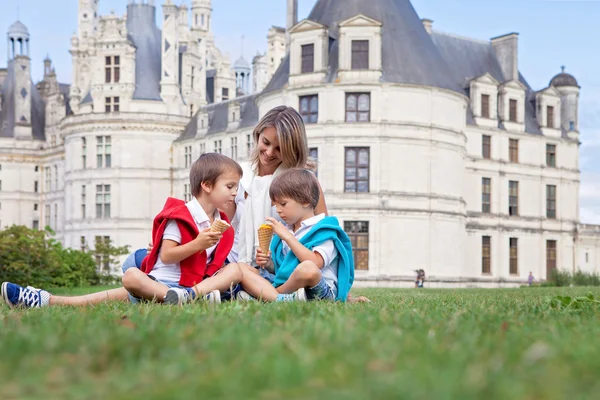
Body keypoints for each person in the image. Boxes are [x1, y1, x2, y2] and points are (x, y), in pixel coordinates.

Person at [1, 154, 243, 308]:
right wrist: (199, 244)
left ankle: (186, 298)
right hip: (162, 282)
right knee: (131, 277)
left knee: (234, 269)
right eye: (230, 186)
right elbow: (168, 256)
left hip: (190, 286)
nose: (235, 192)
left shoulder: (220, 222)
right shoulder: (180, 216)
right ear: (207, 185)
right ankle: (43, 300)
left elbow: (212, 264)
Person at [237, 168, 353, 302]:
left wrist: (288, 237)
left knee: (308, 268)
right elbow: (283, 269)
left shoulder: (323, 229)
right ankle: (280, 298)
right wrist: (268, 263)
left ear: (305, 201)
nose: (278, 211)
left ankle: (268, 296)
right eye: (275, 205)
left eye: (283, 204)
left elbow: (315, 262)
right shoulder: (289, 229)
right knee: (241, 268)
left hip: (318, 289)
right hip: (290, 287)